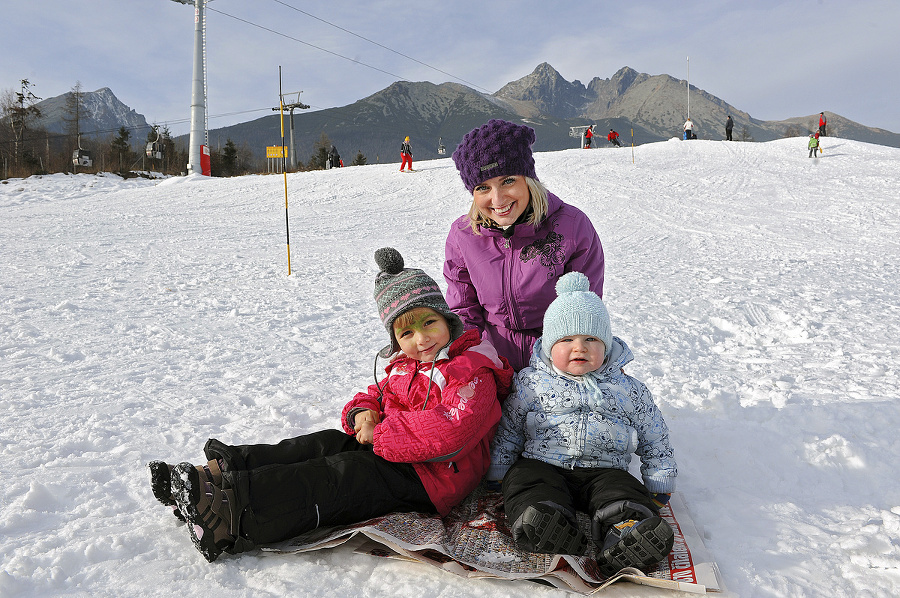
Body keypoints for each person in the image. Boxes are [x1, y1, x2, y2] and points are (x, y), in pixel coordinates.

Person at [148, 247, 514, 562]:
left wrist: (380, 432)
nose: (421, 339)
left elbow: (450, 430)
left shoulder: (473, 371)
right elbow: (378, 393)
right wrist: (362, 412)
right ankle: (216, 475)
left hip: (435, 477)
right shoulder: (407, 364)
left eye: (428, 323)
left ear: (446, 317)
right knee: (319, 444)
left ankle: (231, 511)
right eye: (406, 332)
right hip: (395, 450)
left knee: (341, 475)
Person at [488, 272, 677, 576]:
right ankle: (548, 521)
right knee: (525, 482)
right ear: (549, 346)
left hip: (605, 469)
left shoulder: (629, 389)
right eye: (567, 340)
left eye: (591, 339)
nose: (580, 348)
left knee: (622, 492)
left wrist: (659, 479)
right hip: (542, 463)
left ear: (607, 344)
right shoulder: (531, 383)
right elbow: (509, 428)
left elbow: (655, 436)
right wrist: (499, 469)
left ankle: (626, 532)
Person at [444, 119, 606, 371]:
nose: (497, 199)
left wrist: (562, 368)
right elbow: (463, 311)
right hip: (494, 363)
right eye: (483, 187)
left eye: (508, 180)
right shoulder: (463, 235)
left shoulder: (572, 227)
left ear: (528, 179)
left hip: (557, 363)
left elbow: (583, 311)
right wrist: (470, 364)